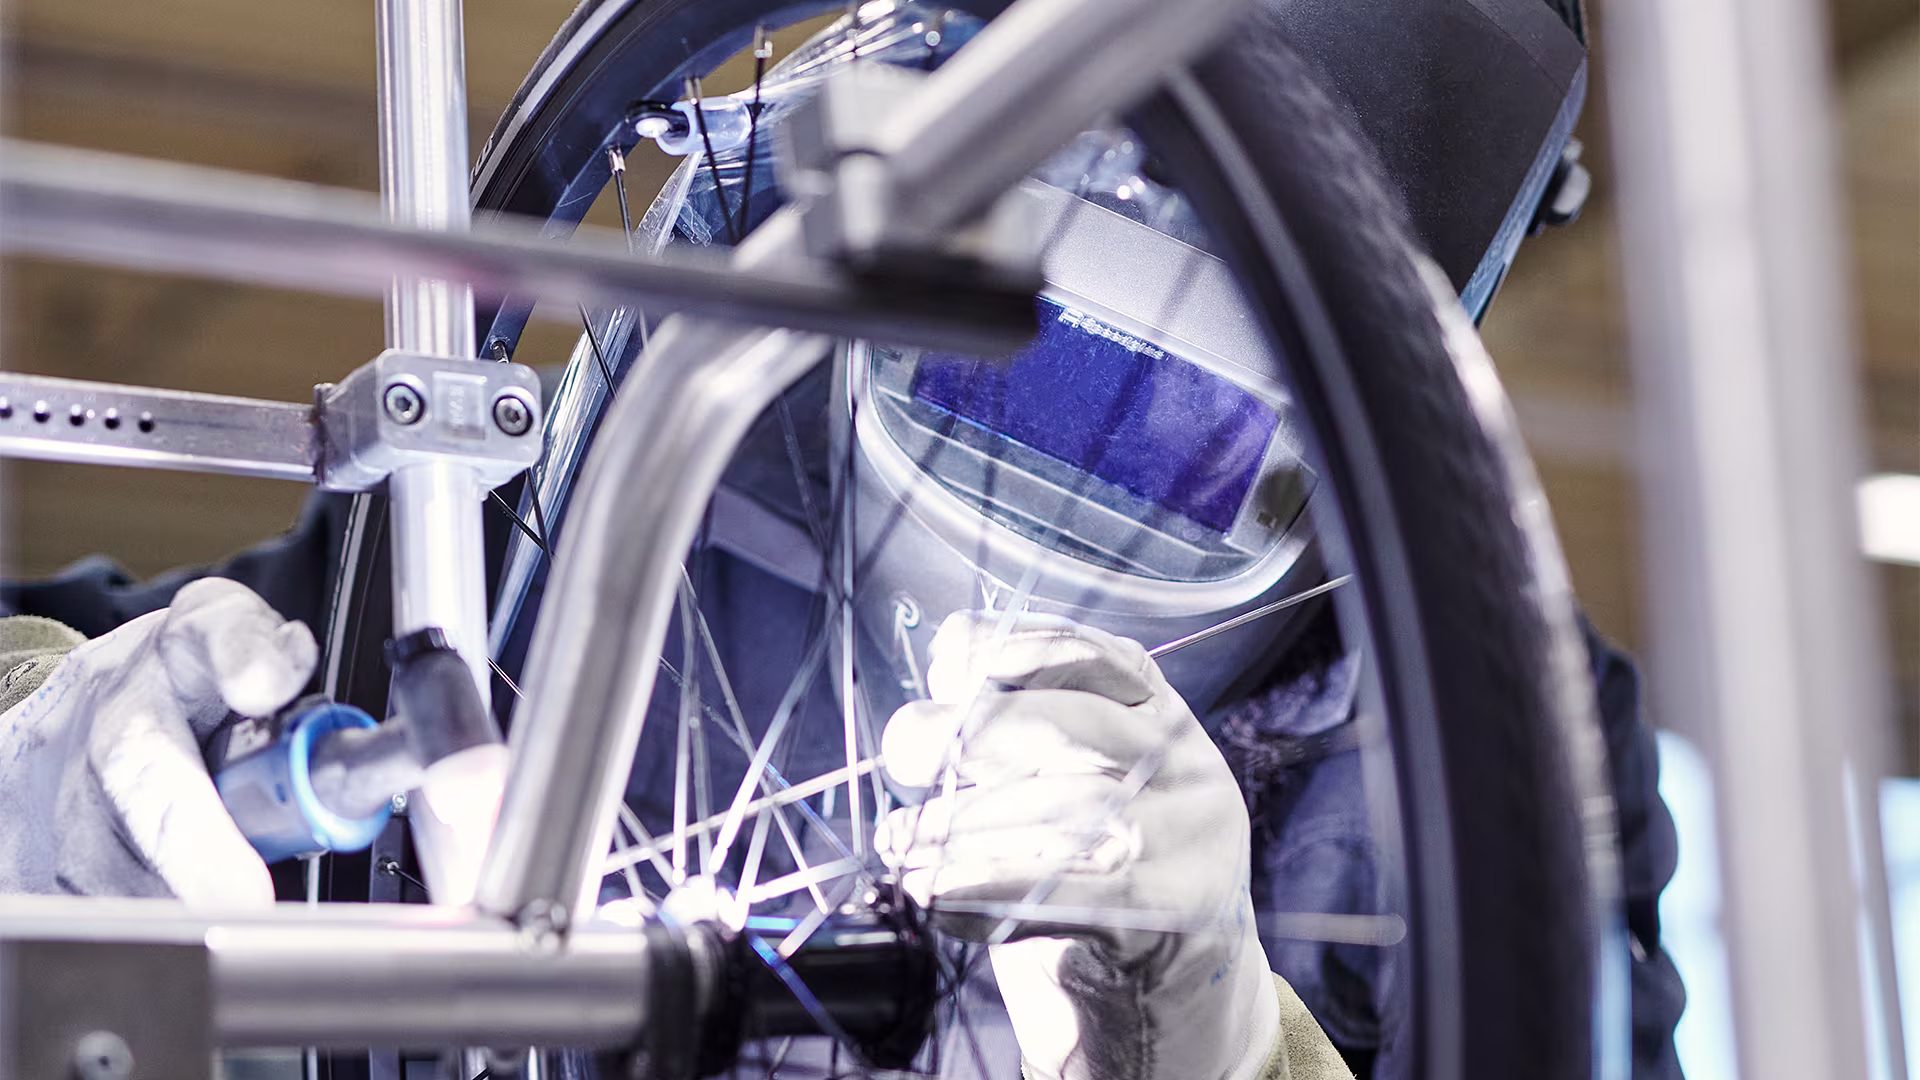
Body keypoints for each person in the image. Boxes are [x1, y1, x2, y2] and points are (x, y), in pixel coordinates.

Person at [0, 3, 1680, 1078]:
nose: (1063, 452)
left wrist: (1252, 1057)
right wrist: (35, 754)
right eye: (998, 347)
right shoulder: (578, 519)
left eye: (1180, 434)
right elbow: (231, 685)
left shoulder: (1509, 746)